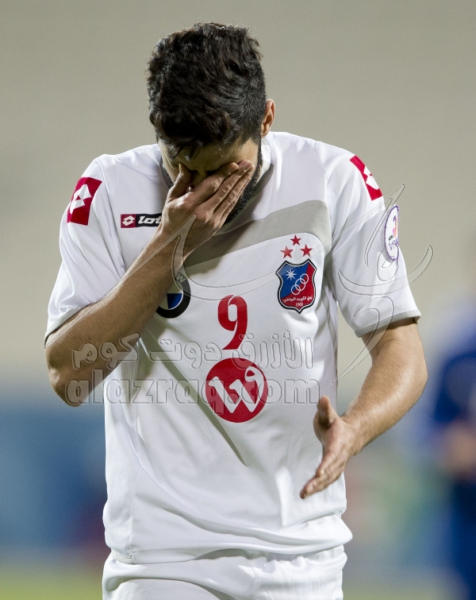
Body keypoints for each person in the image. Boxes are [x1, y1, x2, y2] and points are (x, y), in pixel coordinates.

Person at [45, 22, 427, 600]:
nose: (201, 187)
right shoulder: (108, 191)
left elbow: (402, 347)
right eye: (183, 165)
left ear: (266, 120)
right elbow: (69, 374)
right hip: (163, 562)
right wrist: (169, 246)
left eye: (225, 168)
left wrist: (356, 429)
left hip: (303, 556)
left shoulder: (334, 182)